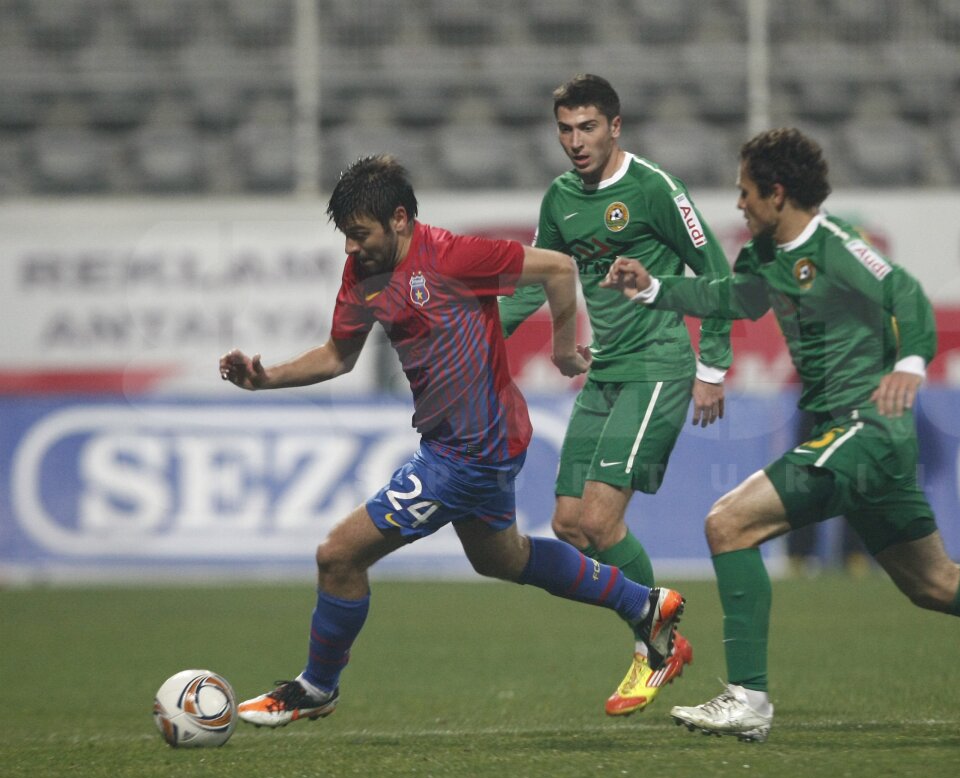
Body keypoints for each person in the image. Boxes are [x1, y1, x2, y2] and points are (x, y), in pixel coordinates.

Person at [601, 127, 960, 742]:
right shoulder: (766, 256)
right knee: (935, 583)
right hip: (851, 438)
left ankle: (747, 698)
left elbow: (904, 293)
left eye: (746, 192)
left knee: (728, 522)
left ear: (777, 194)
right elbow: (737, 298)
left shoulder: (835, 247)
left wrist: (911, 362)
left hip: (868, 429)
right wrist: (653, 289)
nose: (740, 204)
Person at [220, 154, 685, 728]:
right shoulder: (362, 273)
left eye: (358, 235)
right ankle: (645, 604)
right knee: (504, 558)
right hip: (471, 444)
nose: (349, 249)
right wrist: (265, 379)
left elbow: (561, 268)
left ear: (397, 219)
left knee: (338, 556)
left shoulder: (454, 256)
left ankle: (318, 686)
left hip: (470, 451)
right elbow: (338, 355)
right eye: (344, 237)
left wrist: (564, 347)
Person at [499, 74, 734, 717]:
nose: (575, 142)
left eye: (588, 128)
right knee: (570, 525)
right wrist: (479, 337)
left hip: (658, 365)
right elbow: (538, 280)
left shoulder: (654, 188)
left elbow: (714, 268)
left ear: (616, 126)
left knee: (601, 521)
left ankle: (654, 645)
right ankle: (659, 632)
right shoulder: (561, 198)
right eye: (565, 130)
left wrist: (712, 366)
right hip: (604, 371)